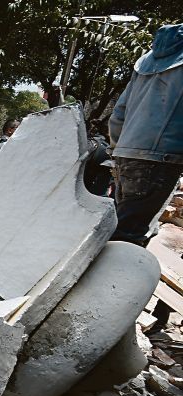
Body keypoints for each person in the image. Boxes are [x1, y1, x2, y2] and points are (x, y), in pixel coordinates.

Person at [108, 24, 183, 246]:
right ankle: (111, 280)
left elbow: (119, 112)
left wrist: (117, 149)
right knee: (127, 236)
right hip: (161, 158)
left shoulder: (146, 61)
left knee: (119, 227)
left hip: (126, 153)